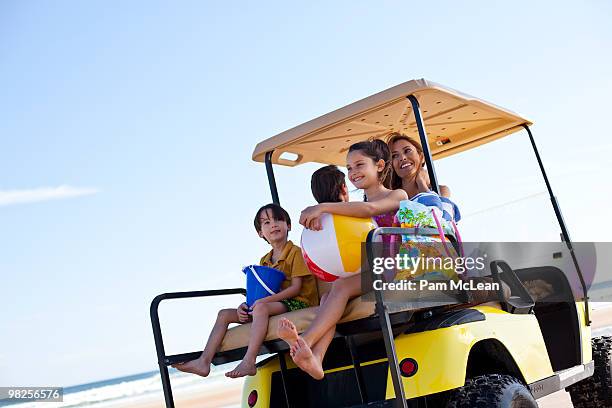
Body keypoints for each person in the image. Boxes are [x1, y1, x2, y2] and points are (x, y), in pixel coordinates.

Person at [277, 140, 407, 380]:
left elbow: (370, 211)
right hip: (371, 273)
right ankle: (316, 357)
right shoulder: (353, 207)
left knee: (341, 286)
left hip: (396, 270)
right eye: (348, 168)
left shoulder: (396, 194)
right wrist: (322, 216)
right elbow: (348, 221)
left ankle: (306, 340)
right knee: (328, 297)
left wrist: (323, 207)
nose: (353, 172)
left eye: (359, 165)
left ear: (379, 165)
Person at [172, 204, 318, 378]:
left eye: (278, 219)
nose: (273, 225)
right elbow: (261, 294)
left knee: (261, 308)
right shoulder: (264, 260)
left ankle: (249, 361)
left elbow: (295, 289)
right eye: (266, 222)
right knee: (224, 314)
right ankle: (204, 362)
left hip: (299, 302)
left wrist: (262, 303)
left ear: (289, 225)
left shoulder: (295, 252)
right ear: (260, 233)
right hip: (273, 304)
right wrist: (245, 306)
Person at [387, 132, 460, 222]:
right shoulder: (391, 197)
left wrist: (421, 183)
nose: (402, 157)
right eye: (394, 156)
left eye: (407, 151)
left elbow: (438, 221)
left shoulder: (440, 190)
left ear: (421, 157)